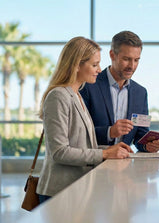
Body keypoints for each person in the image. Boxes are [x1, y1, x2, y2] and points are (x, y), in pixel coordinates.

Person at [36, 37, 133, 204]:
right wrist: (104, 154)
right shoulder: (58, 96)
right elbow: (59, 152)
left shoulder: (77, 95)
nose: (99, 70)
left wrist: (111, 149)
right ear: (76, 65)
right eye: (94, 65)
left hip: (77, 190)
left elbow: (82, 145)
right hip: (59, 193)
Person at [80, 31, 159, 153]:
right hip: (93, 163)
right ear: (112, 55)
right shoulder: (89, 85)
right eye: (126, 59)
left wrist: (147, 145)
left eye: (136, 60)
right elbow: (79, 132)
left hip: (124, 164)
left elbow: (140, 135)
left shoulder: (141, 93)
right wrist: (109, 132)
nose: (132, 66)